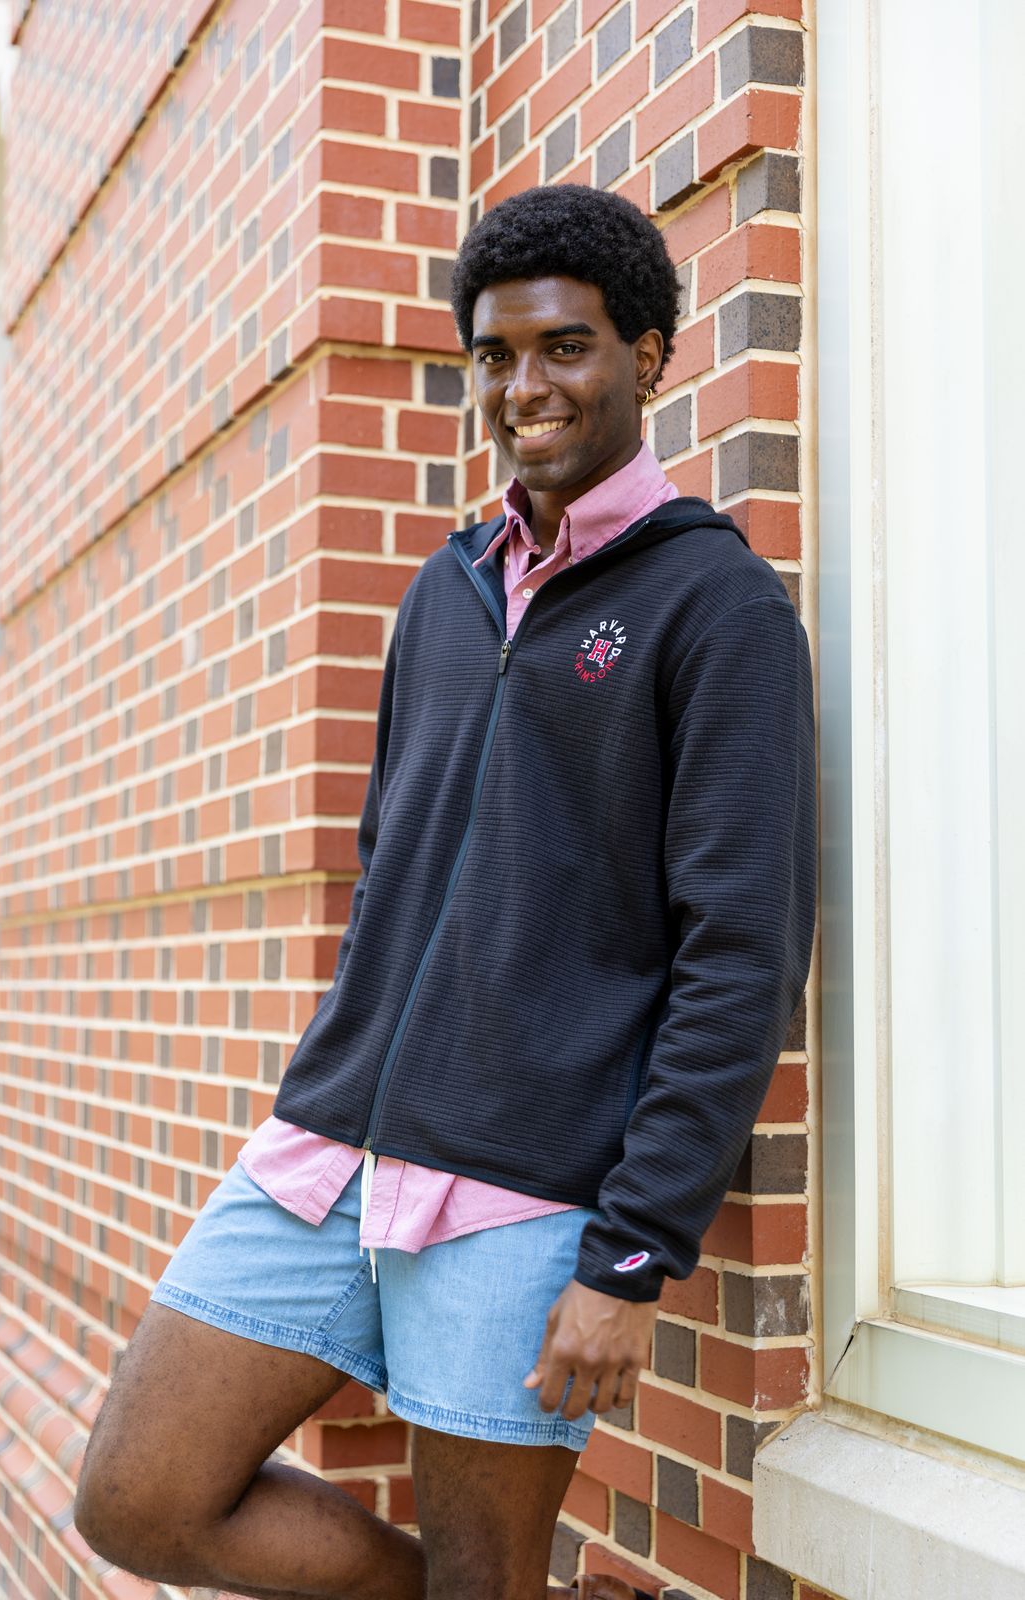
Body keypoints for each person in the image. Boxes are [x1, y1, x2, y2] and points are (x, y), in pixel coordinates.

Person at [74, 183, 817, 1600]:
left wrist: (631, 1254)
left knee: (488, 1576)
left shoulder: (714, 610)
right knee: (140, 1498)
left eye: (566, 348)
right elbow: (392, 865)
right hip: (329, 1152)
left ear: (650, 354)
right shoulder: (446, 590)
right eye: (496, 356)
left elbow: (741, 952)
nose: (526, 388)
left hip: (523, 1195)